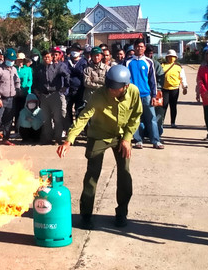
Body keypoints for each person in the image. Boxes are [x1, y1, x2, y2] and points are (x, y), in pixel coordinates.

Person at [57, 64, 143, 228]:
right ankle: (86, 215)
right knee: (92, 175)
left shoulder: (133, 92)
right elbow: (83, 117)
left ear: (125, 86)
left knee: (124, 173)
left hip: (121, 136)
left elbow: (136, 116)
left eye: (115, 88)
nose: (111, 90)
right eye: (109, 85)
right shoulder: (98, 94)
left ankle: (122, 212)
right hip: (99, 136)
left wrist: (127, 138)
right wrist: (69, 139)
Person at [126, 41, 162, 150]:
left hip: (146, 94)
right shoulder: (127, 62)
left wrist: (154, 95)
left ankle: (156, 140)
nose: (139, 49)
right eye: (137, 47)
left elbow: (153, 80)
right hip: (132, 96)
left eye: (141, 47)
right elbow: (125, 80)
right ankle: (138, 140)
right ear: (134, 48)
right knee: (135, 118)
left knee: (151, 118)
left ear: (144, 48)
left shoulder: (149, 62)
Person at [33, 50, 69, 145]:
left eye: (48, 56)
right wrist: (36, 90)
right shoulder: (39, 68)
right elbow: (35, 80)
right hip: (44, 96)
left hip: (55, 95)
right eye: (45, 57)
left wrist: (65, 86)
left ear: (52, 57)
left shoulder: (58, 67)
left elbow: (67, 75)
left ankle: (58, 138)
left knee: (58, 118)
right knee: (46, 118)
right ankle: (48, 138)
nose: (46, 58)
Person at [0, 48, 21, 146]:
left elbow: (17, 80)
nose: (11, 62)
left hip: (11, 99)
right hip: (1, 98)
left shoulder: (14, 69)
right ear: (4, 58)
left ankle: (5, 138)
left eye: (12, 60)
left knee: (8, 120)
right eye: (9, 60)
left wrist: (18, 89)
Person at [158, 50, 187, 130]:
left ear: (175, 58)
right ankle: (161, 122)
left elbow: (182, 77)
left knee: (173, 106)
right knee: (164, 106)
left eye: (173, 57)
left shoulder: (179, 67)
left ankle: (173, 122)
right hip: (165, 89)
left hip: (175, 89)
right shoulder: (162, 66)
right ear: (166, 57)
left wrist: (184, 86)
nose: (171, 58)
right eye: (169, 56)